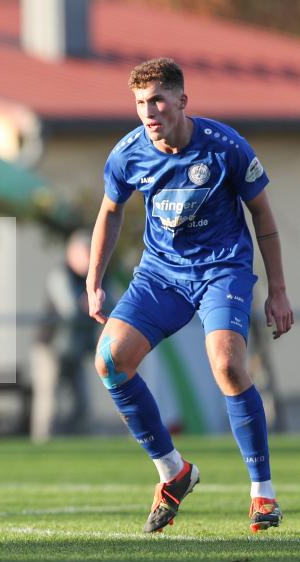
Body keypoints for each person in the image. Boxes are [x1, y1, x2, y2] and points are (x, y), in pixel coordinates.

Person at [87, 58, 293, 533]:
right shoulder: (128, 153)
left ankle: (262, 492)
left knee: (227, 363)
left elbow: (262, 216)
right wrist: (94, 279)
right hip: (161, 274)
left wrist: (278, 291)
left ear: (183, 100)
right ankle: (173, 472)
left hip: (223, 269)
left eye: (158, 99)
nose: (149, 111)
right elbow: (110, 210)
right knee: (111, 361)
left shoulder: (226, 147)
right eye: (140, 102)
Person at [30, 230, 101, 442]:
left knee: (83, 403)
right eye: (85, 252)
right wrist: (90, 303)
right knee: (48, 403)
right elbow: (69, 309)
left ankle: (77, 444)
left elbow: (110, 305)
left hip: (74, 350)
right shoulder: (60, 274)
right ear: (72, 252)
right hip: (50, 348)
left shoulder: (92, 277)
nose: (89, 257)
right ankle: (42, 445)